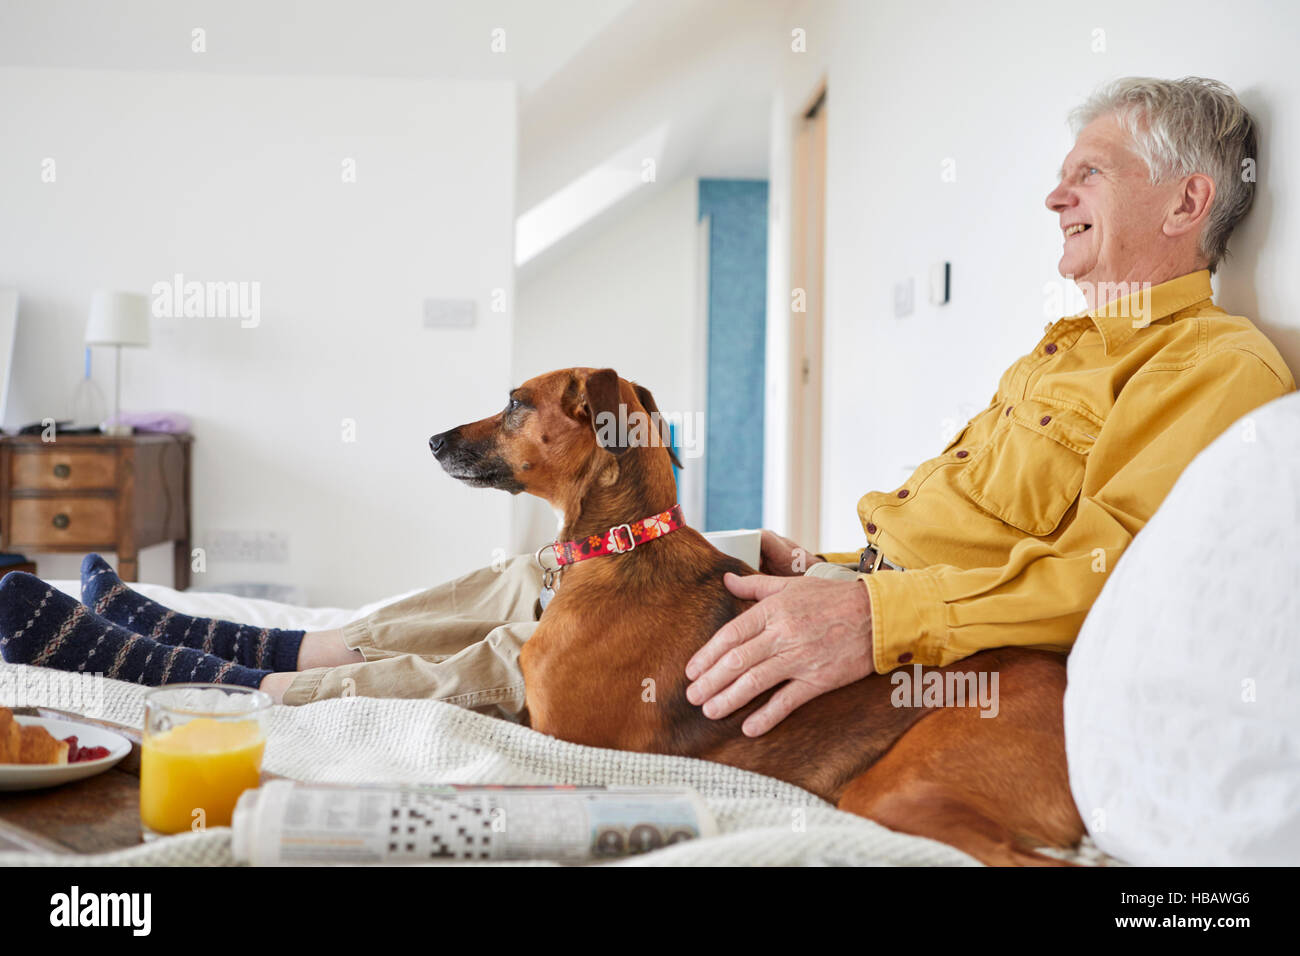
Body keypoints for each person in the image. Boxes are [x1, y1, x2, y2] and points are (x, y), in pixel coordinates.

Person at [1, 77, 1292, 740]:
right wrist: (823, 566)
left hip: (895, 631)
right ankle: (234, 648)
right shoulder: (1061, 351)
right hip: (844, 577)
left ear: (1187, 202)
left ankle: (183, 683)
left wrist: (872, 610)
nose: (1053, 196)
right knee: (549, 576)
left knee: (564, 642)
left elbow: (1118, 571)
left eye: (1089, 174)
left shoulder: (1216, 370)